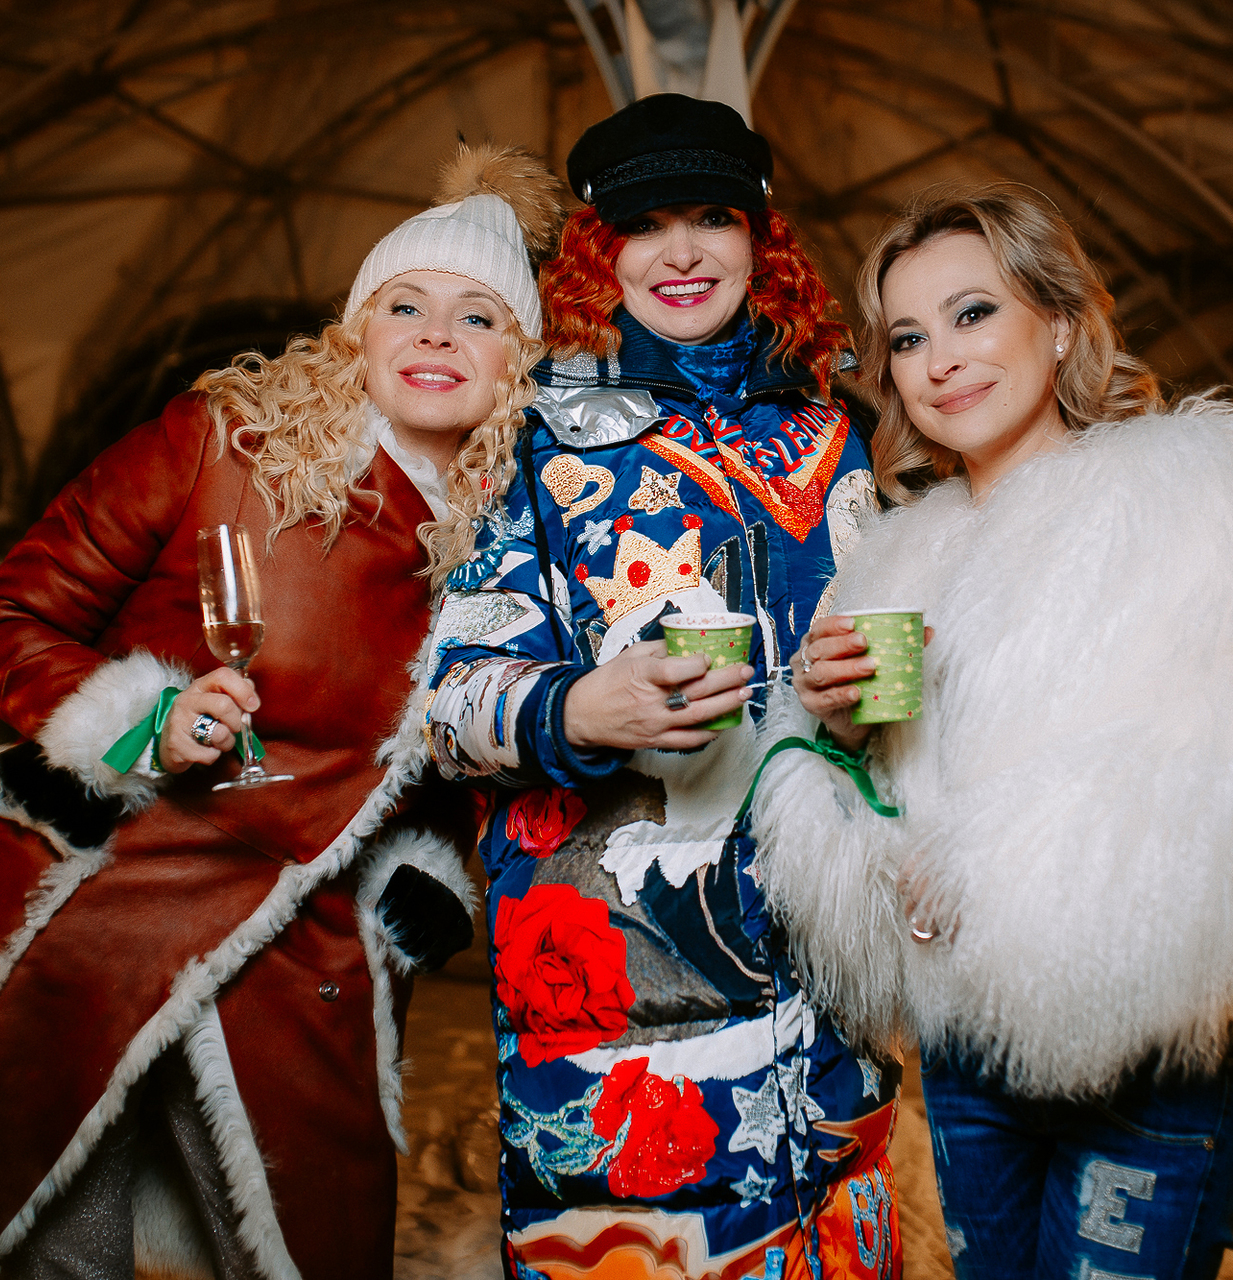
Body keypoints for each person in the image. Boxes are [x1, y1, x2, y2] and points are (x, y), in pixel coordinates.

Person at [0, 145, 563, 1280]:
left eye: (478, 317)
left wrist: (421, 868)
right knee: (43, 1247)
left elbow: (448, 753)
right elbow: (4, 618)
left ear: (518, 361)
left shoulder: (522, 535)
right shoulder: (222, 442)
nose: (437, 335)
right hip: (100, 918)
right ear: (356, 332)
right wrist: (146, 721)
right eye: (406, 305)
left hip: (305, 958)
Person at [750, 185, 1233, 1280]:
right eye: (908, 338)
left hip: (1155, 1049)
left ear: (1060, 322)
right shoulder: (900, 556)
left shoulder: (1203, 495)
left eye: (974, 313)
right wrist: (836, 732)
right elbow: (867, 820)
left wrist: (996, 866)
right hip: (968, 1048)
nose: (941, 360)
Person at [422, 95, 901, 1280]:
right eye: (644, 225)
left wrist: (876, 702)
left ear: (760, 237)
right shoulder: (531, 434)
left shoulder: (840, 429)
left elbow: (902, 681)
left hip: (829, 983)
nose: (681, 252)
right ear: (601, 248)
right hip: (619, 1002)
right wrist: (578, 709)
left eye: (711, 218)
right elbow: (446, 706)